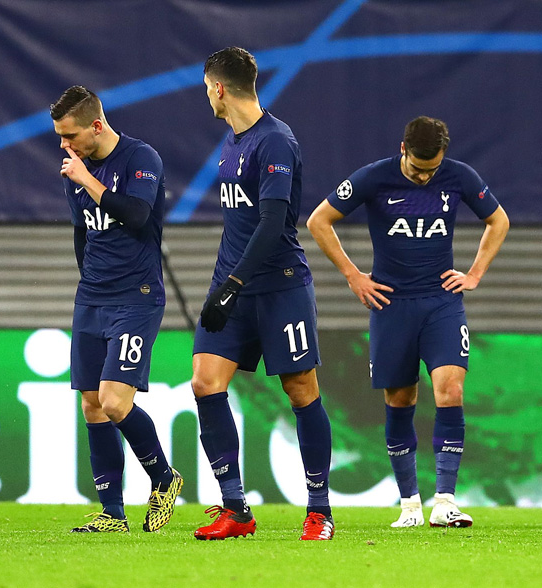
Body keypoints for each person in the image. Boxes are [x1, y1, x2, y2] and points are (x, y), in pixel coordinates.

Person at [307, 116, 510, 528]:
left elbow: (499, 220)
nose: (424, 177)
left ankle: (446, 501)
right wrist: (352, 274)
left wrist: (475, 274)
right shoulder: (374, 177)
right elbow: (318, 221)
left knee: (451, 390)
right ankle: (410, 506)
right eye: (418, 169)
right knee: (400, 400)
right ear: (403, 150)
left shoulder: (459, 176)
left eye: (431, 170)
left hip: (441, 303)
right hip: (391, 305)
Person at [190, 47, 334, 541]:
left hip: (279, 287)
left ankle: (319, 511)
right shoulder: (233, 142)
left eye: (206, 88)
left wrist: (233, 284)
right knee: (205, 383)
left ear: (219, 88)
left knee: (300, 390)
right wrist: (225, 283)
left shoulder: (274, 141)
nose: (207, 97)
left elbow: (274, 224)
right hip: (233, 285)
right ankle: (236, 509)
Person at [51, 85, 182, 533]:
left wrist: (87, 180)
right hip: (93, 297)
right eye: (60, 137)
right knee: (91, 403)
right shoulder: (75, 169)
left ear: (96, 125)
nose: (65, 146)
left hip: (136, 297)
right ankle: (112, 513)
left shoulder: (141, 159)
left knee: (113, 400)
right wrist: (89, 281)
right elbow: (81, 232)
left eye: (70, 135)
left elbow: (138, 215)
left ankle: (164, 478)